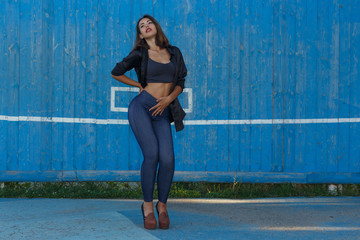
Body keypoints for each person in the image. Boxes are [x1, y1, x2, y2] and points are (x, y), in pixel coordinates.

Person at [110, 14, 187, 230]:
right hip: (142, 108)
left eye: (149, 23)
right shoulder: (139, 54)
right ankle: (147, 206)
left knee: (168, 159)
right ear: (140, 34)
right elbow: (116, 72)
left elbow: (180, 81)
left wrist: (169, 99)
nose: (146, 26)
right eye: (141, 26)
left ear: (156, 26)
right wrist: (137, 85)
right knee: (151, 154)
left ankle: (162, 206)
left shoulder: (174, 52)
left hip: (162, 111)